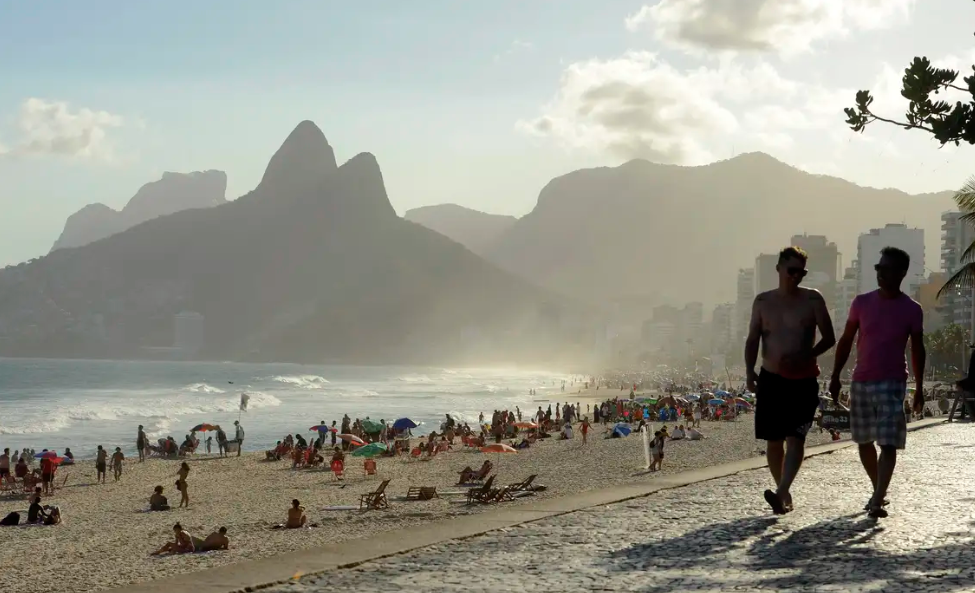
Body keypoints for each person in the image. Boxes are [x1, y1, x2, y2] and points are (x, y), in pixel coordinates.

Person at [830, 247, 924, 519]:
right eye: (878, 268)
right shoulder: (861, 302)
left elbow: (918, 349)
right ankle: (878, 492)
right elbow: (846, 340)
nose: (881, 274)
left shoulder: (912, 309)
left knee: (889, 444)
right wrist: (836, 376)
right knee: (863, 441)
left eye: (887, 269)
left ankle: (878, 498)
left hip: (893, 383)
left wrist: (919, 387)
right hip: (861, 381)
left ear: (902, 273)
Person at [745, 246, 836, 515]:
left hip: (803, 379)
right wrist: (750, 371)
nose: (796, 276)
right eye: (791, 270)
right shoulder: (763, 302)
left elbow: (830, 337)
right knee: (774, 441)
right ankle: (782, 492)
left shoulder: (812, 300)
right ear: (779, 269)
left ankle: (782, 492)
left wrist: (805, 355)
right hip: (771, 378)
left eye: (802, 272)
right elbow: (753, 339)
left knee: (796, 438)